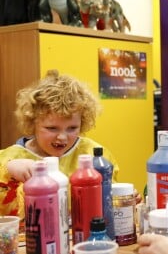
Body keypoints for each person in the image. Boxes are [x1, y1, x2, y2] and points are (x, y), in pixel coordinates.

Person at [0, 70, 140, 219]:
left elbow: (107, 198)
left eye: (72, 128)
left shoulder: (92, 154)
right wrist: (8, 171)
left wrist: (124, 199)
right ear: (32, 122)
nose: (62, 137)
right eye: (52, 128)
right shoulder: (11, 157)